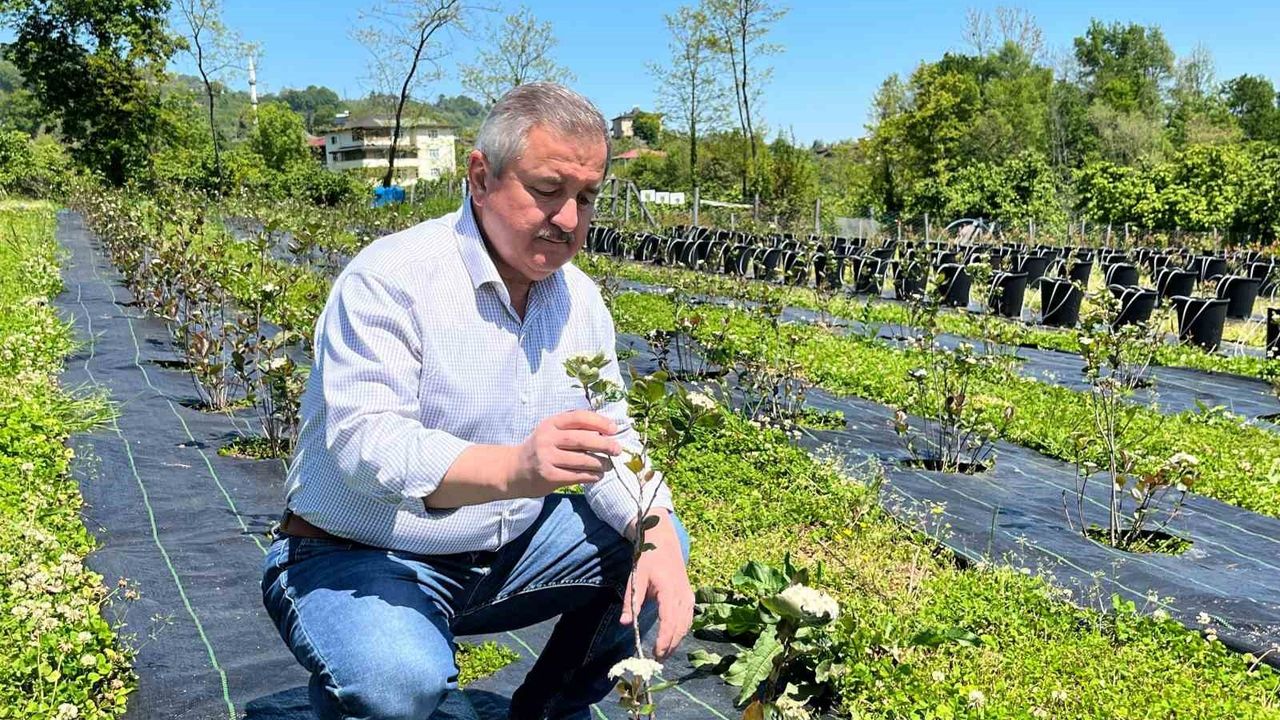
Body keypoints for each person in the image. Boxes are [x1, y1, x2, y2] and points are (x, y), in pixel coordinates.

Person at [260, 82, 693, 720]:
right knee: (394, 684)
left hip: (503, 556)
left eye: (586, 198)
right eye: (547, 190)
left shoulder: (578, 300)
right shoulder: (393, 278)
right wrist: (512, 469)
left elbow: (612, 437)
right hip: (357, 552)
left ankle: (547, 712)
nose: (568, 219)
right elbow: (365, 443)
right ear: (481, 177)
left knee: (654, 541)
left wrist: (655, 532)